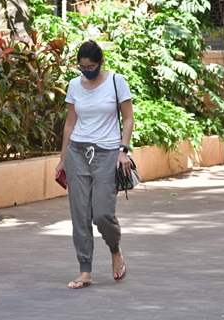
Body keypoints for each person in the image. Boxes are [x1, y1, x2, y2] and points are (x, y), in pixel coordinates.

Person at [55, 40, 134, 289]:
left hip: (107, 153)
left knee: (101, 214)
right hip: (77, 153)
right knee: (79, 215)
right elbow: (69, 122)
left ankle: (115, 249)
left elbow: (128, 118)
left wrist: (123, 150)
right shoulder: (74, 86)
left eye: (90, 66)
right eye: (82, 67)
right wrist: (62, 158)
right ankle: (85, 270)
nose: (86, 70)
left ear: (100, 63)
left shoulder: (116, 82)